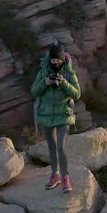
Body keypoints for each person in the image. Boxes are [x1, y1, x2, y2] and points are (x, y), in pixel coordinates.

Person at [30, 43, 82, 193]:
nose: (55, 63)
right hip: (46, 115)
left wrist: (64, 83)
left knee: (61, 147)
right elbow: (34, 91)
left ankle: (65, 178)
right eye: (53, 61)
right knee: (51, 147)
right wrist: (45, 83)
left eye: (58, 61)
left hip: (63, 114)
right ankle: (55, 175)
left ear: (63, 60)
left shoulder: (69, 72)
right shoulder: (43, 72)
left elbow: (77, 94)